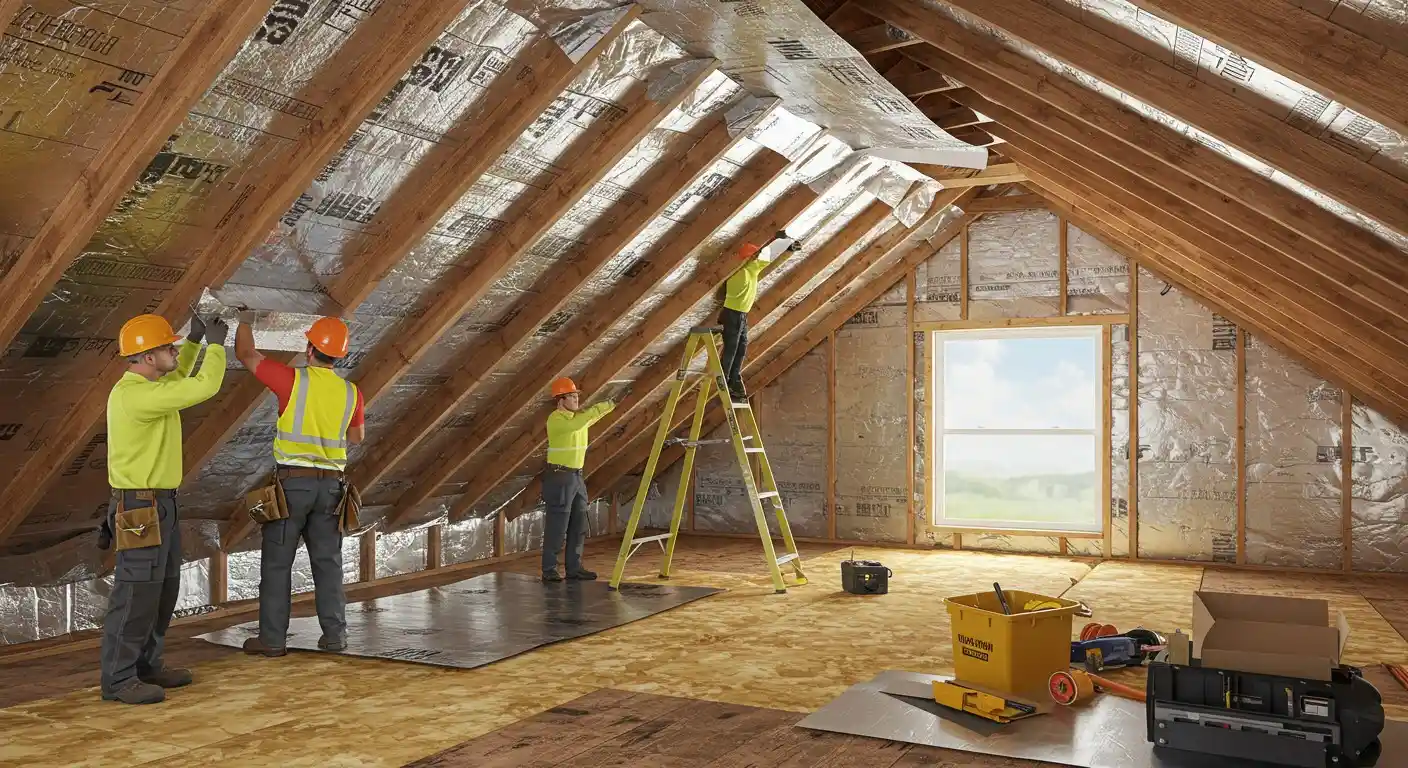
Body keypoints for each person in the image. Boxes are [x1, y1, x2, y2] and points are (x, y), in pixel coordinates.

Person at [100, 310, 228, 704]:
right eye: (167, 347)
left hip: (161, 505)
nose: (173, 350)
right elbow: (200, 387)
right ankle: (119, 681)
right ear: (148, 358)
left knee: (162, 591)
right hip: (140, 508)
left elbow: (176, 376)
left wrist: (193, 342)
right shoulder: (134, 395)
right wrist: (217, 347)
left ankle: (147, 667)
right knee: (136, 594)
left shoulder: (151, 385)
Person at [232, 313, 364, 657]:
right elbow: (356, 436)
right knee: (328, 563)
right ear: (339, 356)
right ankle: (335, 636)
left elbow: (246, 354)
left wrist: (244, 320)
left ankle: (273, 641)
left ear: (309, 349)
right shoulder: (352, 393)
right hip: (332, 490)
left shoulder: (291, 380)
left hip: (293, 488)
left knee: (277, 564)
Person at [541, 376, 614, 582]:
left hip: (576, 477)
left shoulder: (577, 420)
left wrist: (613, 403)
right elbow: (583, 420)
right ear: (560, 400)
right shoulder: (555, 419)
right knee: (558, 525)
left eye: (576, 396)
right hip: (559, 477)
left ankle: (574, 568)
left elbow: (591, 418)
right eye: (571, 396)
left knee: (578, 524)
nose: (576, 400)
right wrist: (603, 405)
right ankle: (549, 570)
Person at [718, 231, 800, 402]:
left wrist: (786, 246)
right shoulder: (738, 275)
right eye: (754, 255)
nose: (757, 257)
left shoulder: (752, 269)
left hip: (741, 316)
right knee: (731, 349)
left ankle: (734, 380)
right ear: (747, 258)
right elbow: (761, 258)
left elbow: (768, 258)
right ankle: (724, 382)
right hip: (731, 315)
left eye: (756, 255)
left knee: (740, 350)